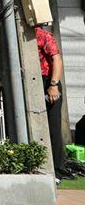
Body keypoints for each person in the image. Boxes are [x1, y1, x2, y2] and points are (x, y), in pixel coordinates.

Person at [36, 26, 66, 177]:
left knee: (53, 126)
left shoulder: (43, 35)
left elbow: (57, 59)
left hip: (49, 81)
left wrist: (53, 85)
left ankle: (58, 169)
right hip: (34, 83)